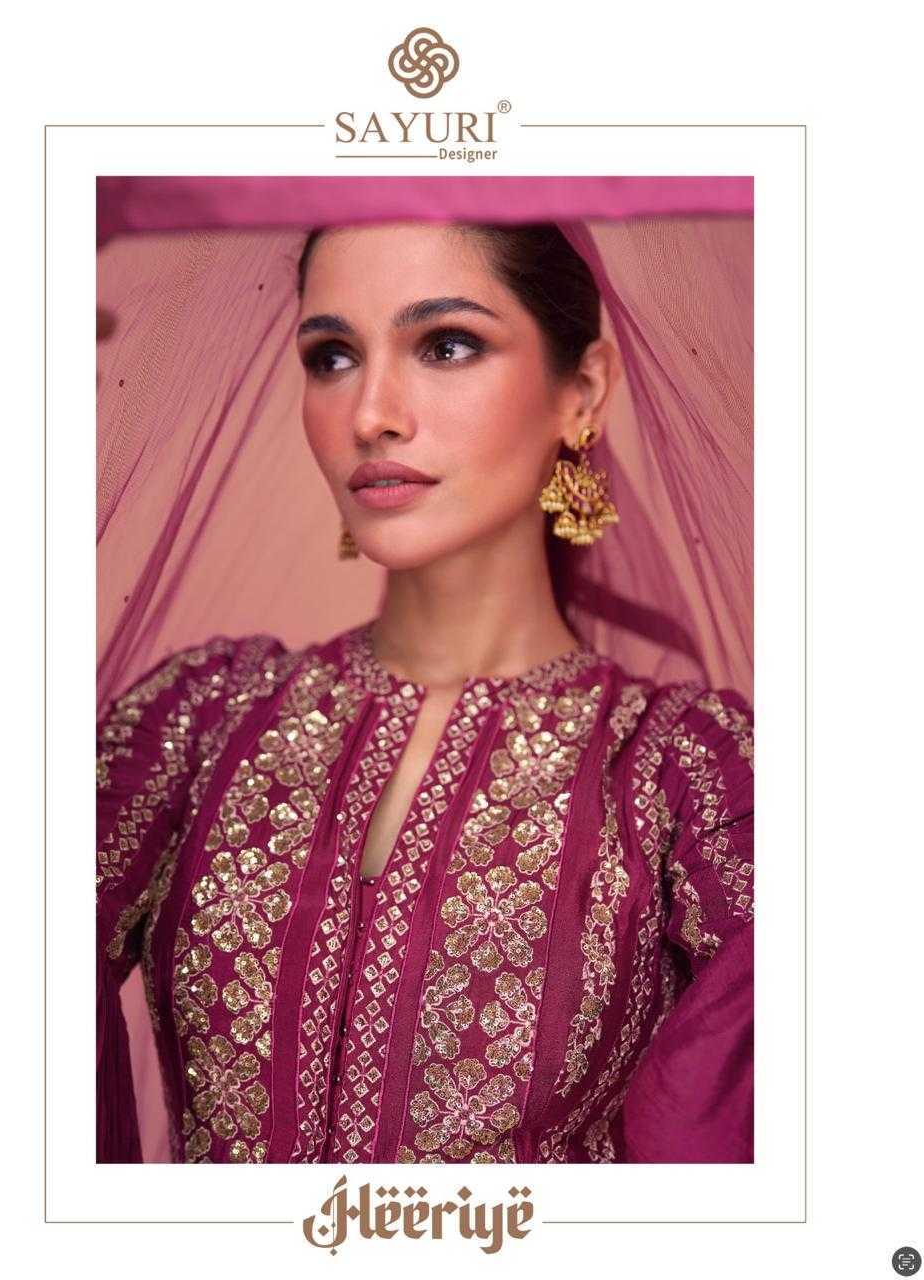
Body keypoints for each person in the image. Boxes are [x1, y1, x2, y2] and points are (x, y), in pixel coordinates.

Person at [97, 218, 754, 1164]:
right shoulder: (201, 718)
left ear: (582, 391)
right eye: (332, 357)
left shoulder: (685, 776)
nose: (370, 415)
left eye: (446, 345)